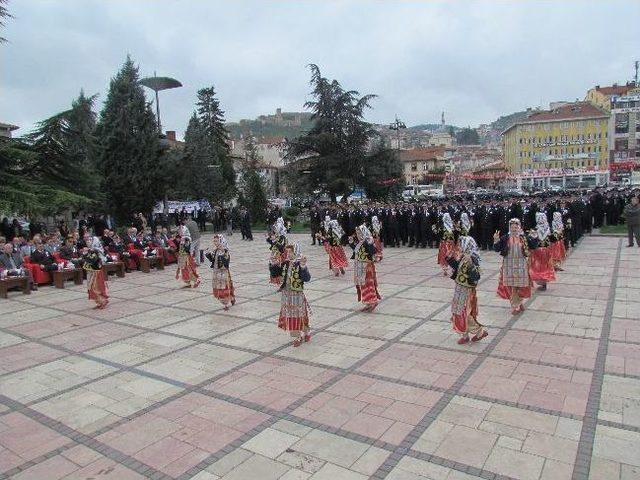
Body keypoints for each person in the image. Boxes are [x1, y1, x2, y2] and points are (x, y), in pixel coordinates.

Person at [447, 236, 487, 344]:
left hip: (467, 291)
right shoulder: (464, 256)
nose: (459, 246)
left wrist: (470, 266)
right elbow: (458, 269)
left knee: (463, 312)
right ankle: (465, 335)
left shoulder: (473, 258)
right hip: (459, 289)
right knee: (457, 311)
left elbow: (476, 277)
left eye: (461, 244)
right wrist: (450, 259)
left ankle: (479, 331)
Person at [494, 218, 538, 314]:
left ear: (519, 227)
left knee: (521, 285)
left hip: (521, 264)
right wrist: (496, 240)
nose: (514, 229)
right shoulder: (505, 237)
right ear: (509, 228)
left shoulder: (523, 237)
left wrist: (535, 238)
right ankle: (515, 306)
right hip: (509, 264)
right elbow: (497, 249)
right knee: (513, 286)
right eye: (512, 227)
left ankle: (519, 301)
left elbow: (533, 246)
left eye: (516, 227)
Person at [277, 243, 311, 347]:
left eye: (291, 252)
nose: (288, 254)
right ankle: (297, 336)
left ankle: (306, 332)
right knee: (291, 315)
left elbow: (307, 278)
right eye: (287, 252)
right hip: (286, 293)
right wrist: (273, 265)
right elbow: (276, 274)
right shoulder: (285, 263)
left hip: (296, 294)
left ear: (296, 252)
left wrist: (303, 266)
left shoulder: (299, 263)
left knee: (300, 314)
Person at [349, 224, 381, 312]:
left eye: (359, 233)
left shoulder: (367, 241)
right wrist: (351, 243)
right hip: (360, 266)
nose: (357, 235)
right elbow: (356, 251)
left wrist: (371, 244)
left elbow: (373, 252)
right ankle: (368, 302)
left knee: (368, 284)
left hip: (366, 267)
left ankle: (373, 301)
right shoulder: (360, 243)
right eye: (357, 233)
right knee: (363, 285)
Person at [206, 234, 235, 310]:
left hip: (223, 272)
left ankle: (226, 303)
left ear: (221, 241)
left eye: (216, 241)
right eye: (214, 241)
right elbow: (213, 260)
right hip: (216, 272)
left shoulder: (225, 251)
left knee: (224, 287)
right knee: (219, 287)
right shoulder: (215, 250)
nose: (215, 243)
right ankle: (231, 298)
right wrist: (208, 254)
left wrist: (222, 253)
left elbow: (226, 263)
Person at [528, 212, 556, 292]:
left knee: (537, 267)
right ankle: (544, 283)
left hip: (537, 250)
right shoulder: (549, 228)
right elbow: (553, 240)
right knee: (545, 266)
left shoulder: (535, 229)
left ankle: (541, 282)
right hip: (546, 250)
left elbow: (531, 241)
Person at [83, 238, 109, 309]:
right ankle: (99, 302)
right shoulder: (90, 250)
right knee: (91, 288)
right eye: (87, 240)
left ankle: (103, 301)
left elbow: (93, 260)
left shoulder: (95, 250)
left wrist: (85, 255)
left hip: (96, 272)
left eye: (89, 240)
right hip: (91, 271)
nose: (87, 242)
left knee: (96, 287)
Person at [267, 218, 288, 285]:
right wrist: (269, 239)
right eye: (275, 228)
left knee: (279, 269)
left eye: (276, 228)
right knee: (273, 267)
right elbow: (272, 243)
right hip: (274, 254)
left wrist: (275, 241)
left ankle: (282, 283)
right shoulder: (276, 235)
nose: (275, 230)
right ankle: (277, 281)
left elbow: (282, 248)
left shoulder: (283, 237)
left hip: (280, 256)